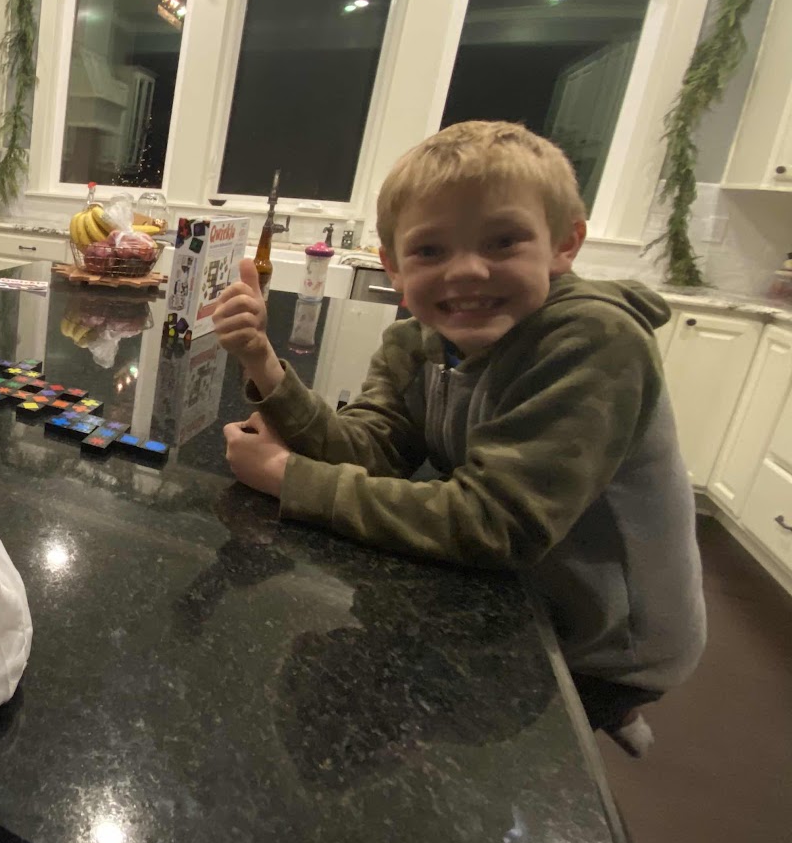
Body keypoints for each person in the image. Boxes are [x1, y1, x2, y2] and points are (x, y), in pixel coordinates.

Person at [214, 121, 704, 749]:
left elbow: (495, 523)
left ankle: (615, 709)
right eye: (430, 250)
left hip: (597, 638)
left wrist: (289, 477)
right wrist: (262, 361)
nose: (467, 270)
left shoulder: (595, 342)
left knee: (533, 735)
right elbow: (374, 448)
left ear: (564, 245)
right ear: (393, 266)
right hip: (521, 590)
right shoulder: (418, 340)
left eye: (502, 242)